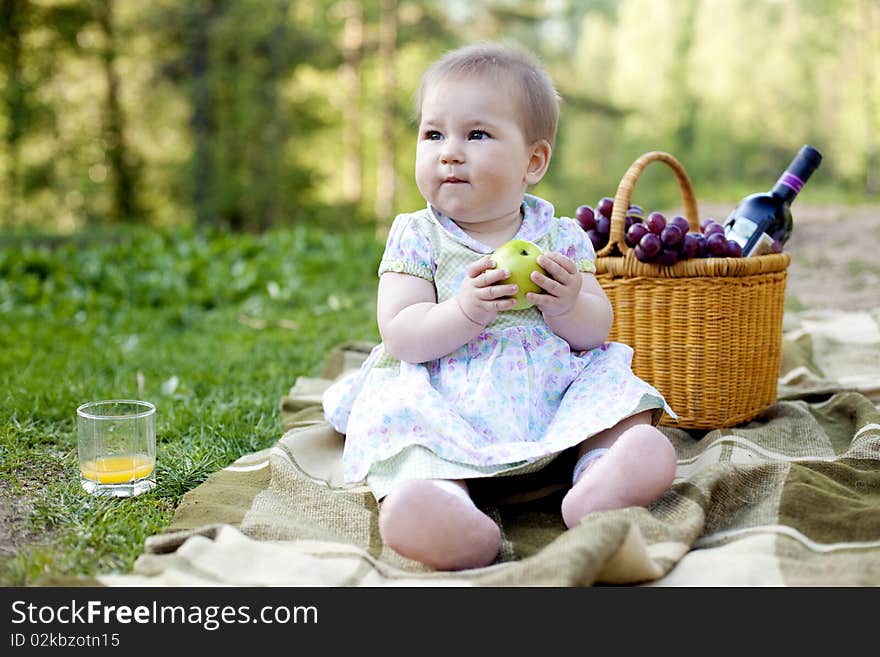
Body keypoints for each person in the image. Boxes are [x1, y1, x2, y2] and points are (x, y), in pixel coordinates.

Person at [323, 42, 677, 571]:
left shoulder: (560, 236)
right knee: (402, 418)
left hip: (548, 388)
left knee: (614, 385)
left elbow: (595, 330)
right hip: (447, 389)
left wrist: (565, 303)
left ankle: (601, 473)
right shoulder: (416, 235)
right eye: (433, 133)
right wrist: (464, 311)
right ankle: (442, 504)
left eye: (477, 135)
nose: (449, 151)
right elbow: (401, 332)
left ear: (532, 161)